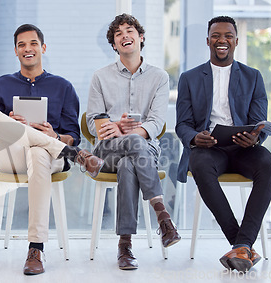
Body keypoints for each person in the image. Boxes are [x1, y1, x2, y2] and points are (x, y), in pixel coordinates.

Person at [0, 24, 104, 275]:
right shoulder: (1, 84)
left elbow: (74, 136)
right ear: (15, 51)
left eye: (33, 44)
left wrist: (54, 135)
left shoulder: (63, 87)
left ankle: (35, 249)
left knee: (38, 152)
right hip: (11, 155)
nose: (28, 49)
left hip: (49, 157)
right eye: (22, 45)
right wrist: (12, 125)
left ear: (43, 48)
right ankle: (78, 158)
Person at [176, 16, 271, 273]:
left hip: (244, 149)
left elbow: (258, 120)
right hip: (210, 148)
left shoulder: (253, 77)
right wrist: (194, 137)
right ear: (208, 40)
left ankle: (241, 245)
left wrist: (255, 136)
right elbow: (183, 124)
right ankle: (241, 244)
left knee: (267, 164)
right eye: (216, 36)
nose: (222, 40)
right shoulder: (189, 78)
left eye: (228, 36)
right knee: (198, 163)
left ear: (236, 41)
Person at [86, 14, 180, 270]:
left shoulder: (159, 77)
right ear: (114, 45)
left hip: (142, 149)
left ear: (141, 38)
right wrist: (115, 126)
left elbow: (157, 122)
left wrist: (132, 133)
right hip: (107, 150)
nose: (125, 35)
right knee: (131, 149)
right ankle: (163, 216)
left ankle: (124, 245)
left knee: (130, 164)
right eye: (118, 34)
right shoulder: (100, 77)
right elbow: (94, 120)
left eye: (130, 31)